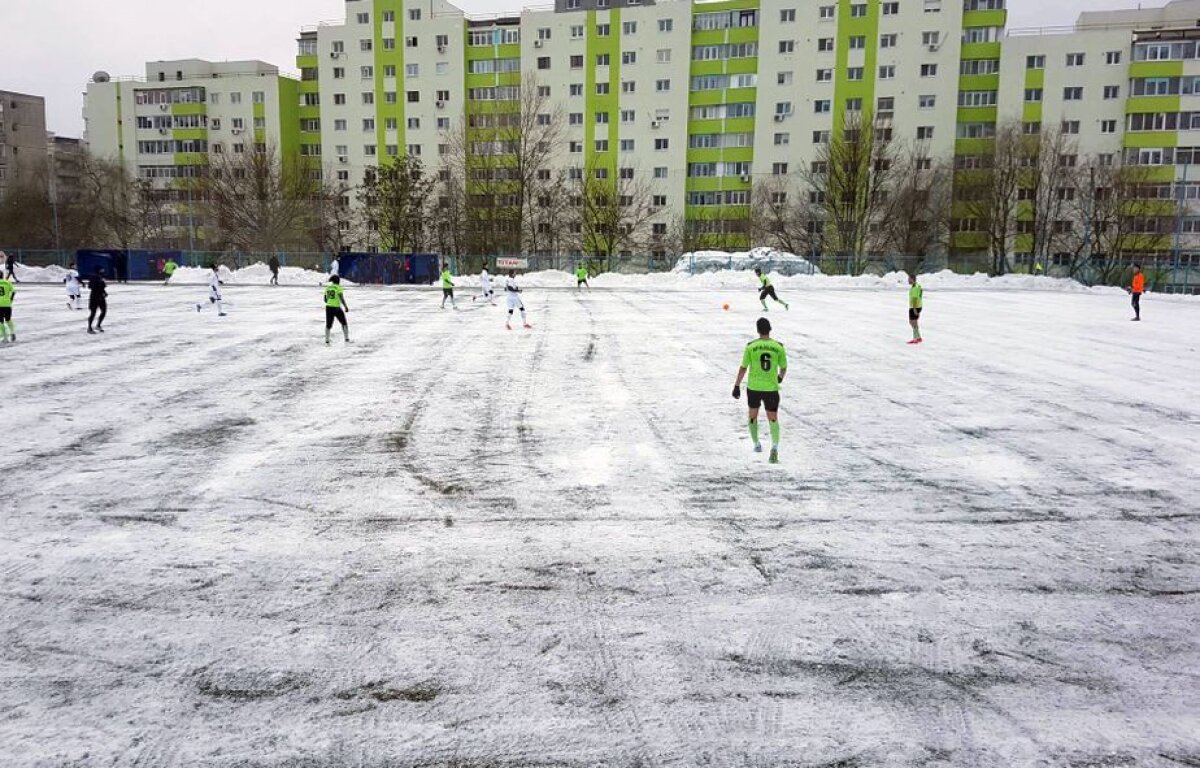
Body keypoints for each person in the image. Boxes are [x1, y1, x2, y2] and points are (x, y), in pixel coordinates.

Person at [732, 317, 787, 464]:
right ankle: (774, 447)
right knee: (773, 418)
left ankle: (756, 443)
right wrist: (779, 378)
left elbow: (743, 367)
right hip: (771, 389)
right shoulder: (778, 347)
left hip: (754, 388)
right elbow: (783, 367)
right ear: (770, 329)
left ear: (757, 330)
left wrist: (736, 385)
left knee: (753, 416)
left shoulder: (751, 346)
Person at [323, 275, 350, 345]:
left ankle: (327, 340)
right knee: (344, 322)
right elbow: (341, 298)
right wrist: (345, 306)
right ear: (338, 281)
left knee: (328, 324)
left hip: (328, 307)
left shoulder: (328, 288)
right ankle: (346, 338)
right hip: (336, 308)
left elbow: (325, 299)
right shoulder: (338, 288)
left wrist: (330, 301)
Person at [87, 269, 107, 334]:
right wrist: (98, 285)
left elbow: (102, 287)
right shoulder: (94, 277)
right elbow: (90, 286)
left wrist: (104, 292)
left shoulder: (101, 277)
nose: (103, 271)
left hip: (101, 296)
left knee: (104, 311)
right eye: (102, 270)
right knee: (93, 312)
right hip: (94, 296)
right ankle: (89, 328)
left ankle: (98, 325)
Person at [908, 273, 924, 345]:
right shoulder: (918, 286)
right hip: (918, 306)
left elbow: (914, 298)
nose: (908, 280)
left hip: (915, 307)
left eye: (909, 279)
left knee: (912, 322)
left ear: (912, 279)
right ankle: (918, 337)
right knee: (914, 322)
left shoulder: (914, 288)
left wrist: (914, 309)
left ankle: (915, 339)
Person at [0, 273, 15, 342]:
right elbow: (13, 292)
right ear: (2, 276)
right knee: (8, 319)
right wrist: (10, 300)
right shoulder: (7, 282)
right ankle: (12, 332)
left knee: (1, 321)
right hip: (7, 304)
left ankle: (5, 337)